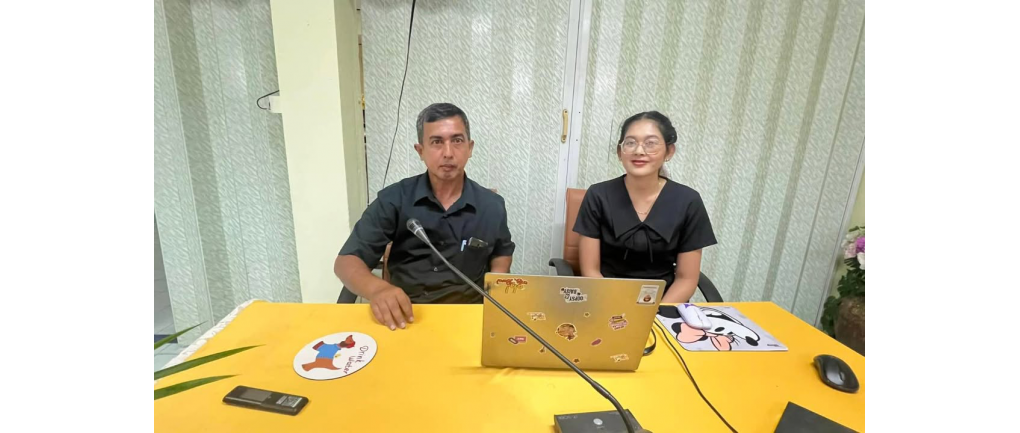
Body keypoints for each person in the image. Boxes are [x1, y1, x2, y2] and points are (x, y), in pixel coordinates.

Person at [334, 103, 515, 330]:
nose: (448, 153)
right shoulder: (395, 199)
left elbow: (501, 253)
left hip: (469, 317)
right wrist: (377, 289)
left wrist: (496, 291)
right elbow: (346, 261)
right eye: (437, 142)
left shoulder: (491, 205)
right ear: (420, 151)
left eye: (457, 140)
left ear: (470, 148)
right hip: (405, 316)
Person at [572, 111, 716, 303]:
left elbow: (686, 279)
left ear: (669, 151)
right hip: (606, 299)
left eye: (651, 143)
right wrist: (616, 310)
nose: (639, 151)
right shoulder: (598, 195)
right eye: (630, 143)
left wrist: (656, 313)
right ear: (620, 152)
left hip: (664, 303)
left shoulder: (689, 201)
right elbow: (591, 271)